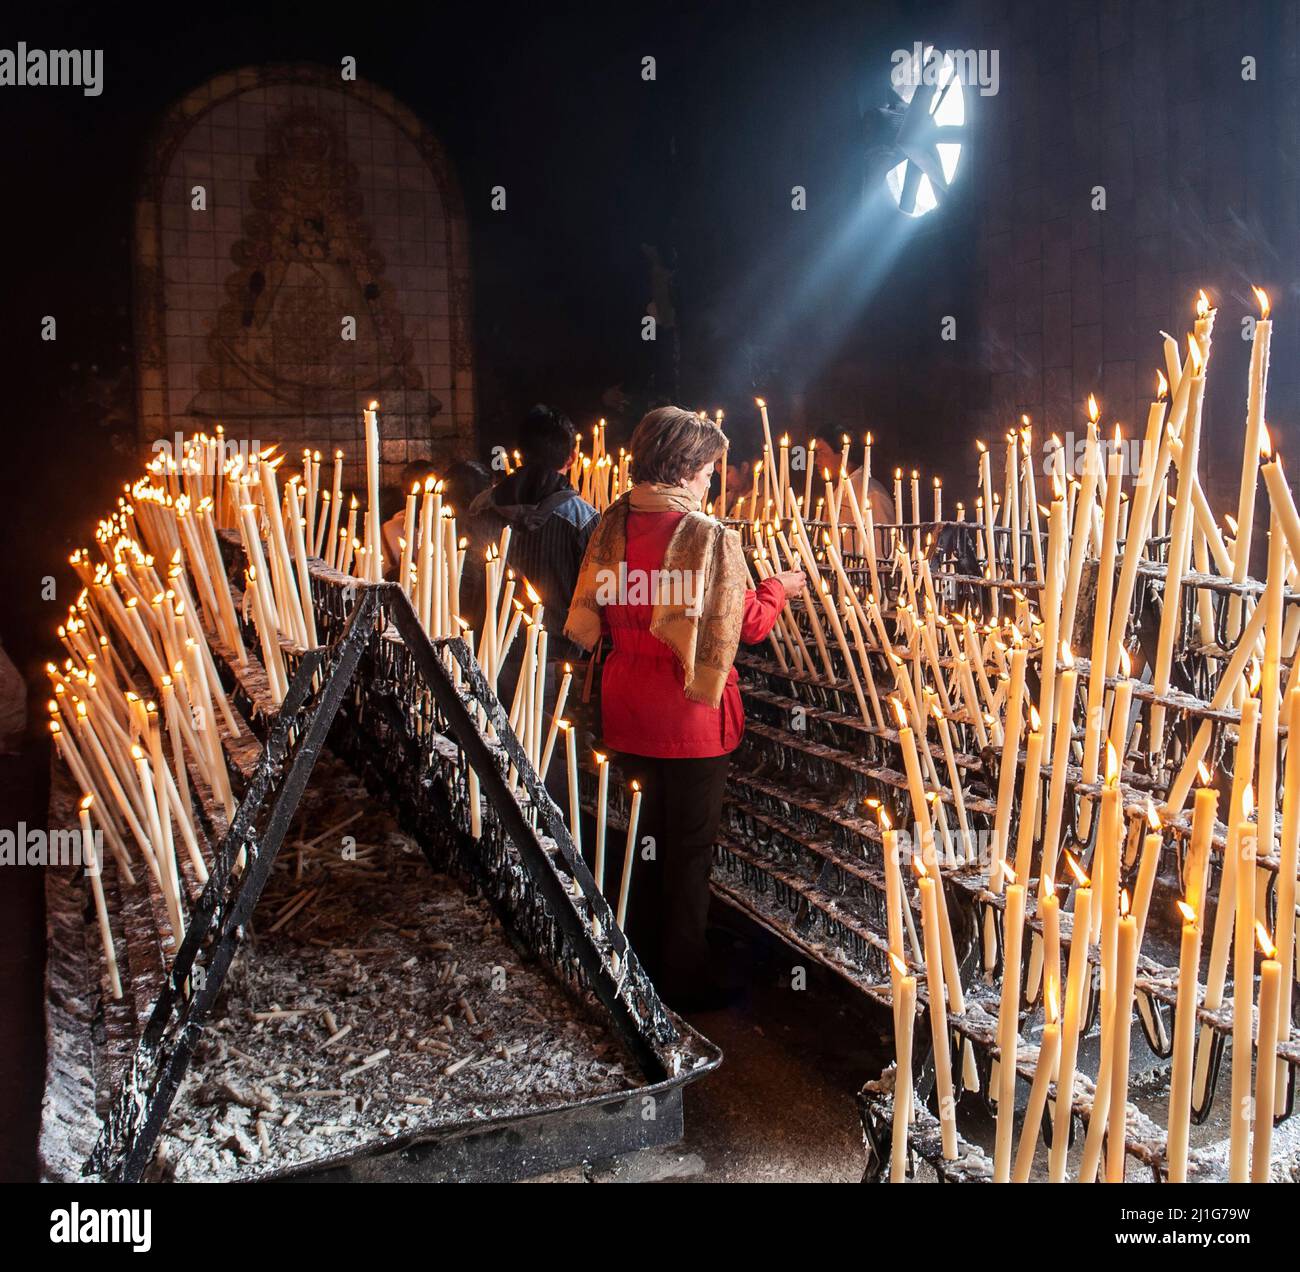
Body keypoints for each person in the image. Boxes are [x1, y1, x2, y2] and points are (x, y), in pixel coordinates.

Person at [566, 406, 805, 1010]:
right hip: (690, 717)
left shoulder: (610, 525)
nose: (710, 484)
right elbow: (745, 625)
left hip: (626, 711)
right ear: (685, 466)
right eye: (706, 471)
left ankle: (637, 964)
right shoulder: (707, 537)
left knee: (644, 839)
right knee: (688, 854)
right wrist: (780, 585)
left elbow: (596, 606)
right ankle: (683, 983)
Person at [465, 405, 597, 671]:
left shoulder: (481, 506)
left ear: (520, 453)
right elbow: (593, 596)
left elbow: (466, 579)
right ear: (572, 458)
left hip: (488, 649)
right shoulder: (583, 519)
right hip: (558, 657)